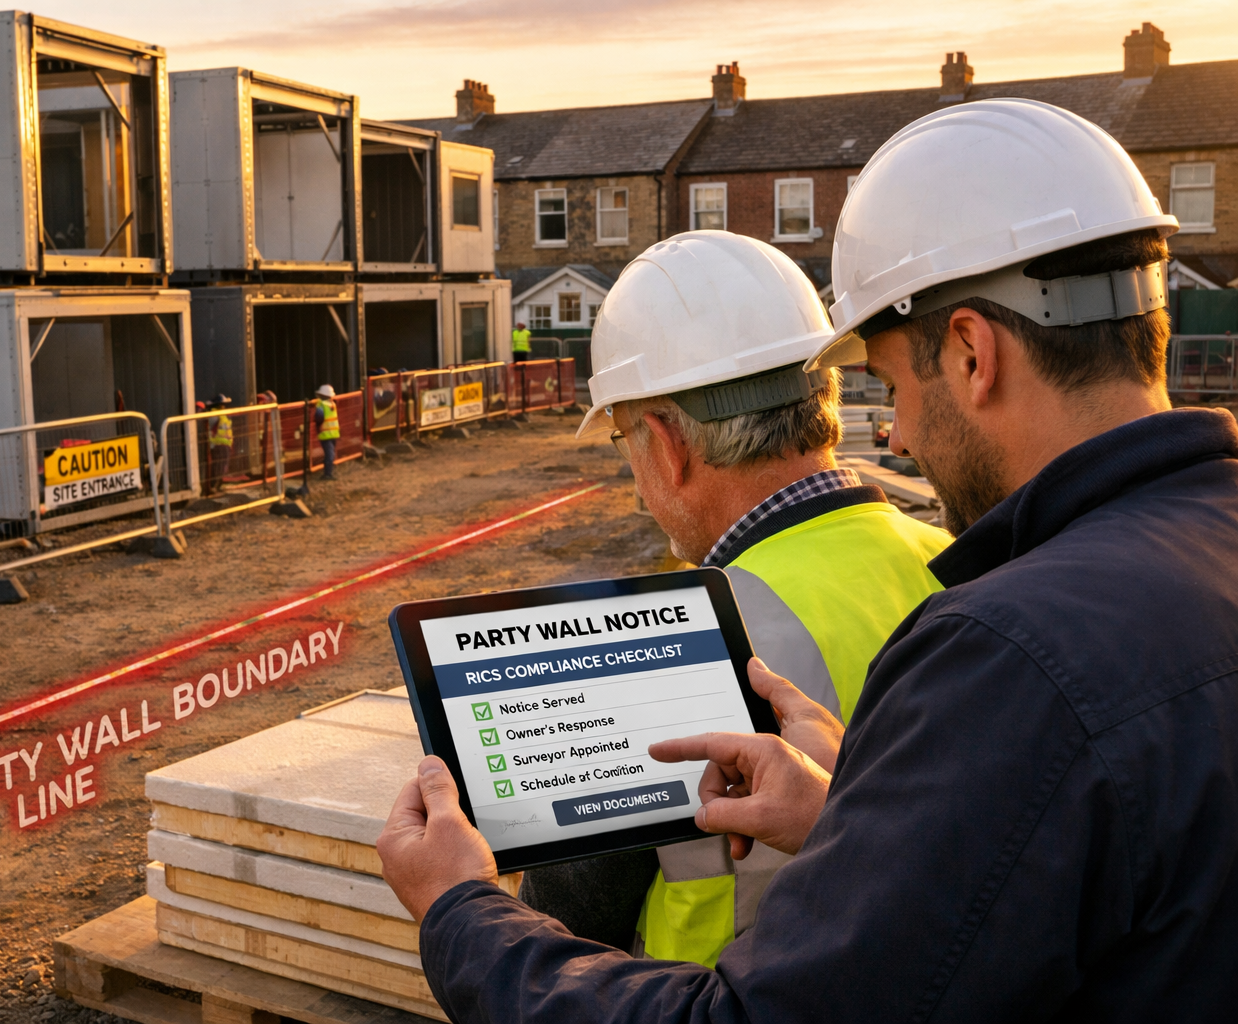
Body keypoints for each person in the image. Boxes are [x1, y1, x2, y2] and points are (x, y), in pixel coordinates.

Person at [377, 99, 1238, 1020]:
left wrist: (459, 910)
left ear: (972, 353)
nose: (898, 435)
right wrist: (852, 822)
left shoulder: (1010, 647)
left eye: (897, 386)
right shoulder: (1176, 555)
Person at [519, 230, 951, 966]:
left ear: (666, 442)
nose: (634, 479)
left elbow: (565, 924)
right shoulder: (957, 561)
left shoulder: (662, 646)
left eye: (624, 440)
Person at [206, 394, 234, 493]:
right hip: (218, 445)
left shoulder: (223, 415)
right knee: (218, 467)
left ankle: (217, 485)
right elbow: (210, 430)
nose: (224, 406)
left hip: (225, 445)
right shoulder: (214, 415)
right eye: (222, 404)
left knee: (223, 467)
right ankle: (213, 486)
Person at [314, 384, 340, 480]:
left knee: (330, 454)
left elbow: (319, 418)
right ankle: (327, 474)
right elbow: (319, 418)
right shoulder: (325, 404)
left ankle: (328, 473)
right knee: (330, 455)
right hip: (327, 434)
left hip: (330, 434)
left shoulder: (328, 404)